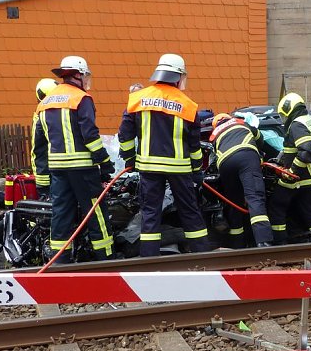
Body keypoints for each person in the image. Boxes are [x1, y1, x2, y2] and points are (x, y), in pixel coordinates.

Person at [118, 54, 210, 257]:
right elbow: (194, 144)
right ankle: (202, 256)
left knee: (150, 213)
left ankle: (149, 259)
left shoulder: (137, 99)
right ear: (178, 77)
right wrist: (197, 169)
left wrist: (130, 158)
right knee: (190, 212)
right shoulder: (188, 105)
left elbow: (125, 133)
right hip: (180, 169)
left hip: (149, 167)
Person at [33, 57, 114, 262]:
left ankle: (60, 260)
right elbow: (90, 135)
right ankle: (105, 257)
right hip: (83, 168)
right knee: (95, 211)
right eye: (85, 75)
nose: (87, 80)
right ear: (77, 75)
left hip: (57, 169)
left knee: (61, 214)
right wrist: (104, 162)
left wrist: (42, 179)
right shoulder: (81, 98)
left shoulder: (45, 103)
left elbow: (39, 145)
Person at [267, 92, 311, 244]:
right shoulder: (306, 120)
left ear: (289, 109)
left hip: (299, 177)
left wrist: (292, 171)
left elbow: (306, 150)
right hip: (310, 176)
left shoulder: (296, 125)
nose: (283, 118)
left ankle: (280, 243)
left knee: (276, 205)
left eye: (283, 114)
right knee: (305, 207)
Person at [209, 113, 272, 248]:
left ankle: (237, 245)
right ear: (229, 118)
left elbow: (213, 157)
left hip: (225, 164)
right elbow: (260, 138)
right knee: (254, 198)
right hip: (246, 157)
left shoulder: (214, 134)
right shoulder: (241, 123)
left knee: (233, 203)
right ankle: (263, 242)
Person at [30, 77, 59, 199]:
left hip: (50, 173)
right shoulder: (43, 118)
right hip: (47, 174)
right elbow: (39, 150)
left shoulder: (42, 116)